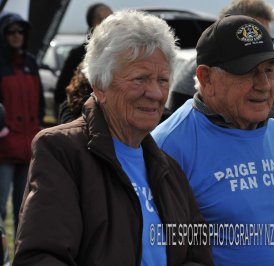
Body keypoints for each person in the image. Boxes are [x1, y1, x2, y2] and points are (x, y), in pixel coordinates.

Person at [13, 10, 213, 265]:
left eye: (163, 80)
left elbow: (198, 254)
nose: (154, 93)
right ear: (99, 85)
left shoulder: (167, 167)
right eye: (140, 79)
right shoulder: (61, 151)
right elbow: (40, 257)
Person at [152, 14, 274, 265]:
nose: (263, 85)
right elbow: (156, 244)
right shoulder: (169, 144)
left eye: (269, 71)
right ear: (206, 78)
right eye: (248, 73)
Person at [0, 12, 45, 235]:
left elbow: (39, 104)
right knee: (0, 205)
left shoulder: (30, 62)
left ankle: (21, 253)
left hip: (27, 145)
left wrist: (37, 126)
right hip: (4, 147)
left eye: (20, 31)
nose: (16, 36)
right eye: (11, 31)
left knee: (23, 207)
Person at [54, 3, 112, 117]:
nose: (115, 23)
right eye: (110, 19)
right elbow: (60, 93)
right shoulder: (78, 55)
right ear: (97, 23)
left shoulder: (116, 53)